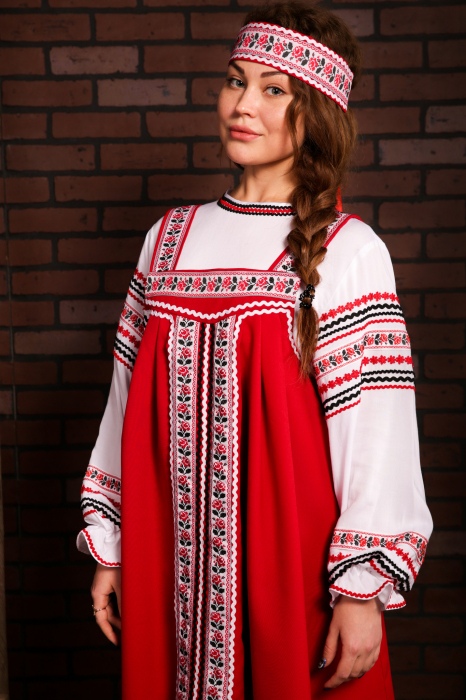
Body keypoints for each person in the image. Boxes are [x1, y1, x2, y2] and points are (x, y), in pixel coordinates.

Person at [77, 2, 433, 698]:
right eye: (236, 81)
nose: (243, 105)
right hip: (166, 568)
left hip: (294, 576)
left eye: (275, 90)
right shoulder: (167, 240)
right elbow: (122, 409)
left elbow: (377, 435)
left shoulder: (348, 250)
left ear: (318, 112)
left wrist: (361, 590)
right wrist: (111, 546)